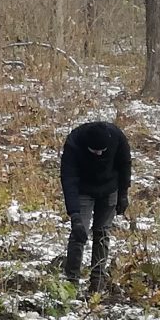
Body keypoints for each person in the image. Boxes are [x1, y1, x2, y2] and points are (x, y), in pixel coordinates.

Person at [58, 116, 133, 292]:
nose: (99, 154)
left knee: (102, 233)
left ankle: (97, 283)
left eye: (103, 151)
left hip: (109, 190)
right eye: (94, 151)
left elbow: (125, 165)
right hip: (83, 190)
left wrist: (123, 194)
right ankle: (72, 282)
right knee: (79, 233)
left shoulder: (117, 137)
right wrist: (75, 215)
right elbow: (68, 179)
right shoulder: (74, 143)